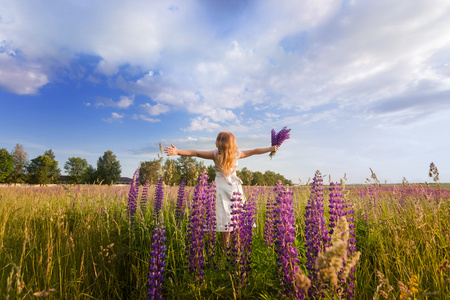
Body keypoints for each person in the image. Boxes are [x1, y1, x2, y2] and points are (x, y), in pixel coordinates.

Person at [164, 131, 278, 251]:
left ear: (218, 142)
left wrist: (178, 152)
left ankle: (225, 251)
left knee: (224, 219)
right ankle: (237, 250)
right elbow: (255, 151)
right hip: (234, 188)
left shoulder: (215, 154)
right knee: (237, 218)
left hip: (220, 189)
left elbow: (196, 153)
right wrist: (271, 148)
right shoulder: (237, 154)